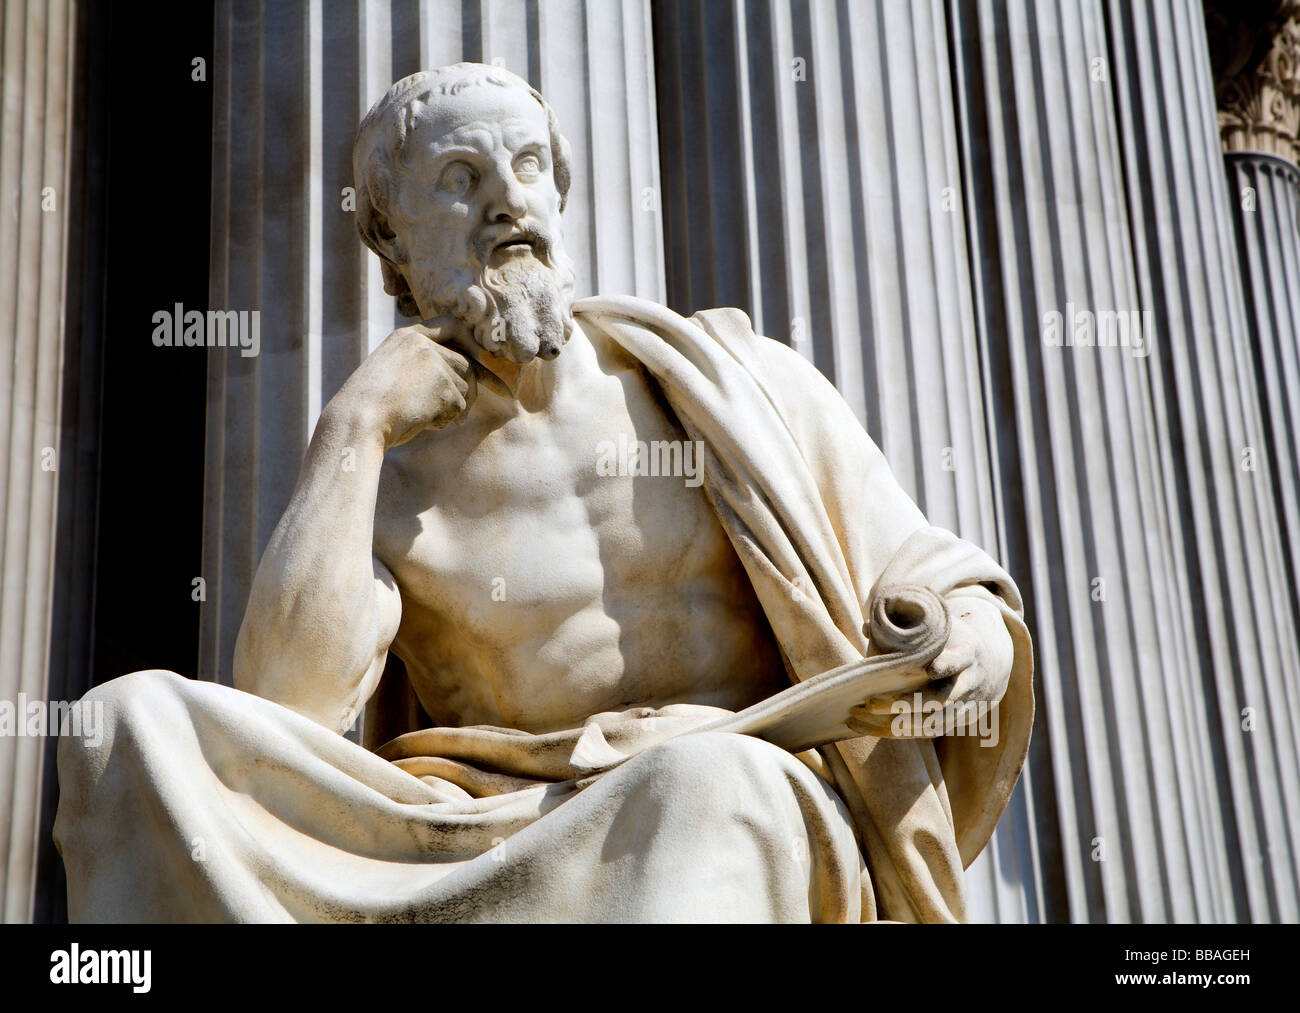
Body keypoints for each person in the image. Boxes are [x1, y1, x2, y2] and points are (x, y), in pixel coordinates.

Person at [55, 63, 1032, 923]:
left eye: (527, 166)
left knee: (702, 779)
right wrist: (352, 427)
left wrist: (971, 633)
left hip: (736, 773)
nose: (505, 202)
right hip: (480, 827)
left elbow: (930, 571)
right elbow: (284, 711)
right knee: (125, 721)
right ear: (389, 237)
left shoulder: (736, 386)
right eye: (460, 178)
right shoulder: (387, 477)